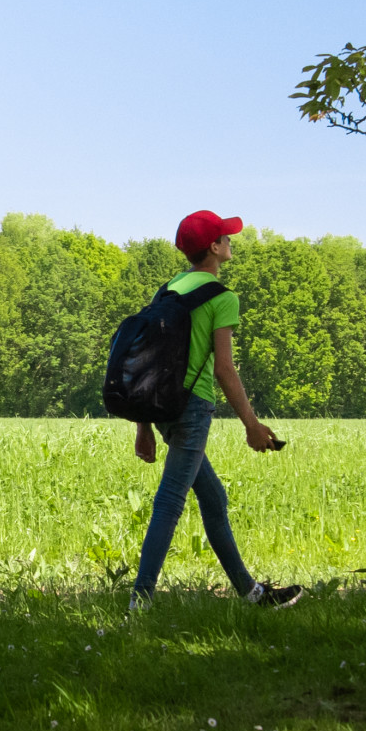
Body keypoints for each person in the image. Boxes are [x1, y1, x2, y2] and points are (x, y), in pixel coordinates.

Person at [129, 210, 303, 610]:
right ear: (214, 247)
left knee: (213, 499)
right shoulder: (221, 297)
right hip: (191, 411)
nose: (231, 242)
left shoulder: (168, 290)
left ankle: (253, 594)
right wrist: (252, 425)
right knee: (170, 501)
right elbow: (224, 370)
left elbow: (145, 360)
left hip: (163, 410)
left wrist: (143, 427)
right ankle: (140, 601)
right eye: (226, 236)